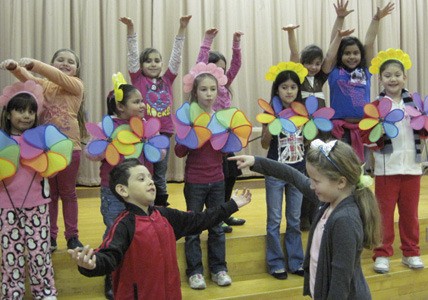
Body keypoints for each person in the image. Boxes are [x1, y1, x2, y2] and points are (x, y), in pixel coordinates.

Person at [67, 158, 251, 300]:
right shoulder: (124, 225)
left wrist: (231, 205)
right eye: (141, 178)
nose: (150, 182)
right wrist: (91, 265)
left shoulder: (165, 216)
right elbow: (109, 256)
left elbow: (200, 220)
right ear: (123, 190)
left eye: (149, 177)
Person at [229, 139, 381, 299]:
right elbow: (293, 176)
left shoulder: (345, 221)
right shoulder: (328, 201)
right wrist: (256, 162)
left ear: (341, 182)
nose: (311, 186)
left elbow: (340, 282)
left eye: (316, 181)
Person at [0, 51, 85, 251]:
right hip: (43, 151)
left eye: (70, 62)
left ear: (76, 69)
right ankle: (51, 235)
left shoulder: (76, 86)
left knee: (68, 193)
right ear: (52, 62)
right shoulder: (44, 85)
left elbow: (57, 76)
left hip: (70, 149)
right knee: (51, 194)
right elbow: (28, 78)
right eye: (60, 60)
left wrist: (35, 64)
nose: (65, 64)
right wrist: (15, 68)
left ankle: (72, 236)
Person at [283, 0, 355, 230]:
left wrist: (339, 33)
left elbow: (331, 55)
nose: (313, 67)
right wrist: (291, 33)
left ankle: (318, 211)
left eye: (316, 63)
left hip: (322, 127)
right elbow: (294, 54)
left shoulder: (321, 78)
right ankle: (303, 216)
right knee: (307, 170)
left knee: (323, 167)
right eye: (309, 63)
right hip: (304, 129)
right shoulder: (299, 78)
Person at [87, 77, 154, 299]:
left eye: (142, 101)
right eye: (136, 102)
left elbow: (157, 154)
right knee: (114, 233)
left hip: (140, 193)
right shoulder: (107, 126)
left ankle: (136, 273)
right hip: (113, 192)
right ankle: (111, 275)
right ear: (120, 106)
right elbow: (91, 153)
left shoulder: (145, 126)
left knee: (140, 233)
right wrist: (108, 143)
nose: (142, 105)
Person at [120, 15, 192, 207]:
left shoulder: (167, 80)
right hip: (140, 134)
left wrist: (182, 29)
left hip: (162, 136)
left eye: (157, 60)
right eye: (148, 61)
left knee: (159, 174)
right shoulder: (137, 80)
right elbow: (132, 55)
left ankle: (160, 207)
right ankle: (138, 205)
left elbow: (176, 57)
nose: (153, 64)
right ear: (141, 66)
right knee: (141, 171)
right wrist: (131, 29)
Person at [364, 49, 426, 273]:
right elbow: (367, 138)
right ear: (380, 79)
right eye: (388, 75)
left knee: (410, 215)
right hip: (385, 169)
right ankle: (382, 254)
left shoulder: (416, 105)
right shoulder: (374, 107)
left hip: (411, 167)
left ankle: (411, 252)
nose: (393, 79)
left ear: (404, 77)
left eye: (397, 74)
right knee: (384, 215)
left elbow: (423, 132)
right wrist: (375, 138)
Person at [175, 63, 233, 289]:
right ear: (194, 92)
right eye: (204, 89)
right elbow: (180, 152)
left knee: (217, 227)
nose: (209, 94)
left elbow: (226, 150)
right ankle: (195, 272)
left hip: (217, 180)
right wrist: (187, 135)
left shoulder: (221, 118)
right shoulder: (188, 117)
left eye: (212, 89)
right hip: (195, 182)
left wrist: (227, 136)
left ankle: (219, 269)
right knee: (193, 228)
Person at [0, 81, 57, 299]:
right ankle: (12, 293)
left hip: (38, 207)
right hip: (7, 208)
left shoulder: (41, 140)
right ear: (8, 114)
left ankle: (45, 292)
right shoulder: (2, 141)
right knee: (11, 255)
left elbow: (50, 169)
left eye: (31, 111)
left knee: (39, 254)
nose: (26, 116)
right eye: (20, 110)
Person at [260, 61, 309, 279]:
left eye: (293, 87)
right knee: (274, 220)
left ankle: (296, 261)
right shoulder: (269, 111)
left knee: (295, 219)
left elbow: (306, 141)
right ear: (277, 89)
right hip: (275, 171)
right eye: (284, 87)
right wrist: (272, 123)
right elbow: (263, 143)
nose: (289, 91)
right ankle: (275, 262)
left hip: (298, 171)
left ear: (298, 90)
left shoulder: (303, 111)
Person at [328, 2, 394, 162]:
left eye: (356, 53)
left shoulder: (365, 71)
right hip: (340, 129)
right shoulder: (334, 71)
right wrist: (340, 18)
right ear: (340, 56)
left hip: (363, 127)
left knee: (361, 169)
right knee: (342, 167)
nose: (352, 56)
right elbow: (332, 45)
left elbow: (369, 43)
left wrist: (376, 19)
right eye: (347, 53)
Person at [195, 27, 245, 233]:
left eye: (222, 69)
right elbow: (200, 60)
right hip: (210, 139)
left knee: (231, 173)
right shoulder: (206, 87)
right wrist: (208, 39)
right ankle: (216, 216)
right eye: (216, 68)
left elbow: (236, 64)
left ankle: (226, 212)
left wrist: (236, 43)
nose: (220, 72)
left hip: (225, 139)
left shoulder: (224, 85)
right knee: (218, 178)